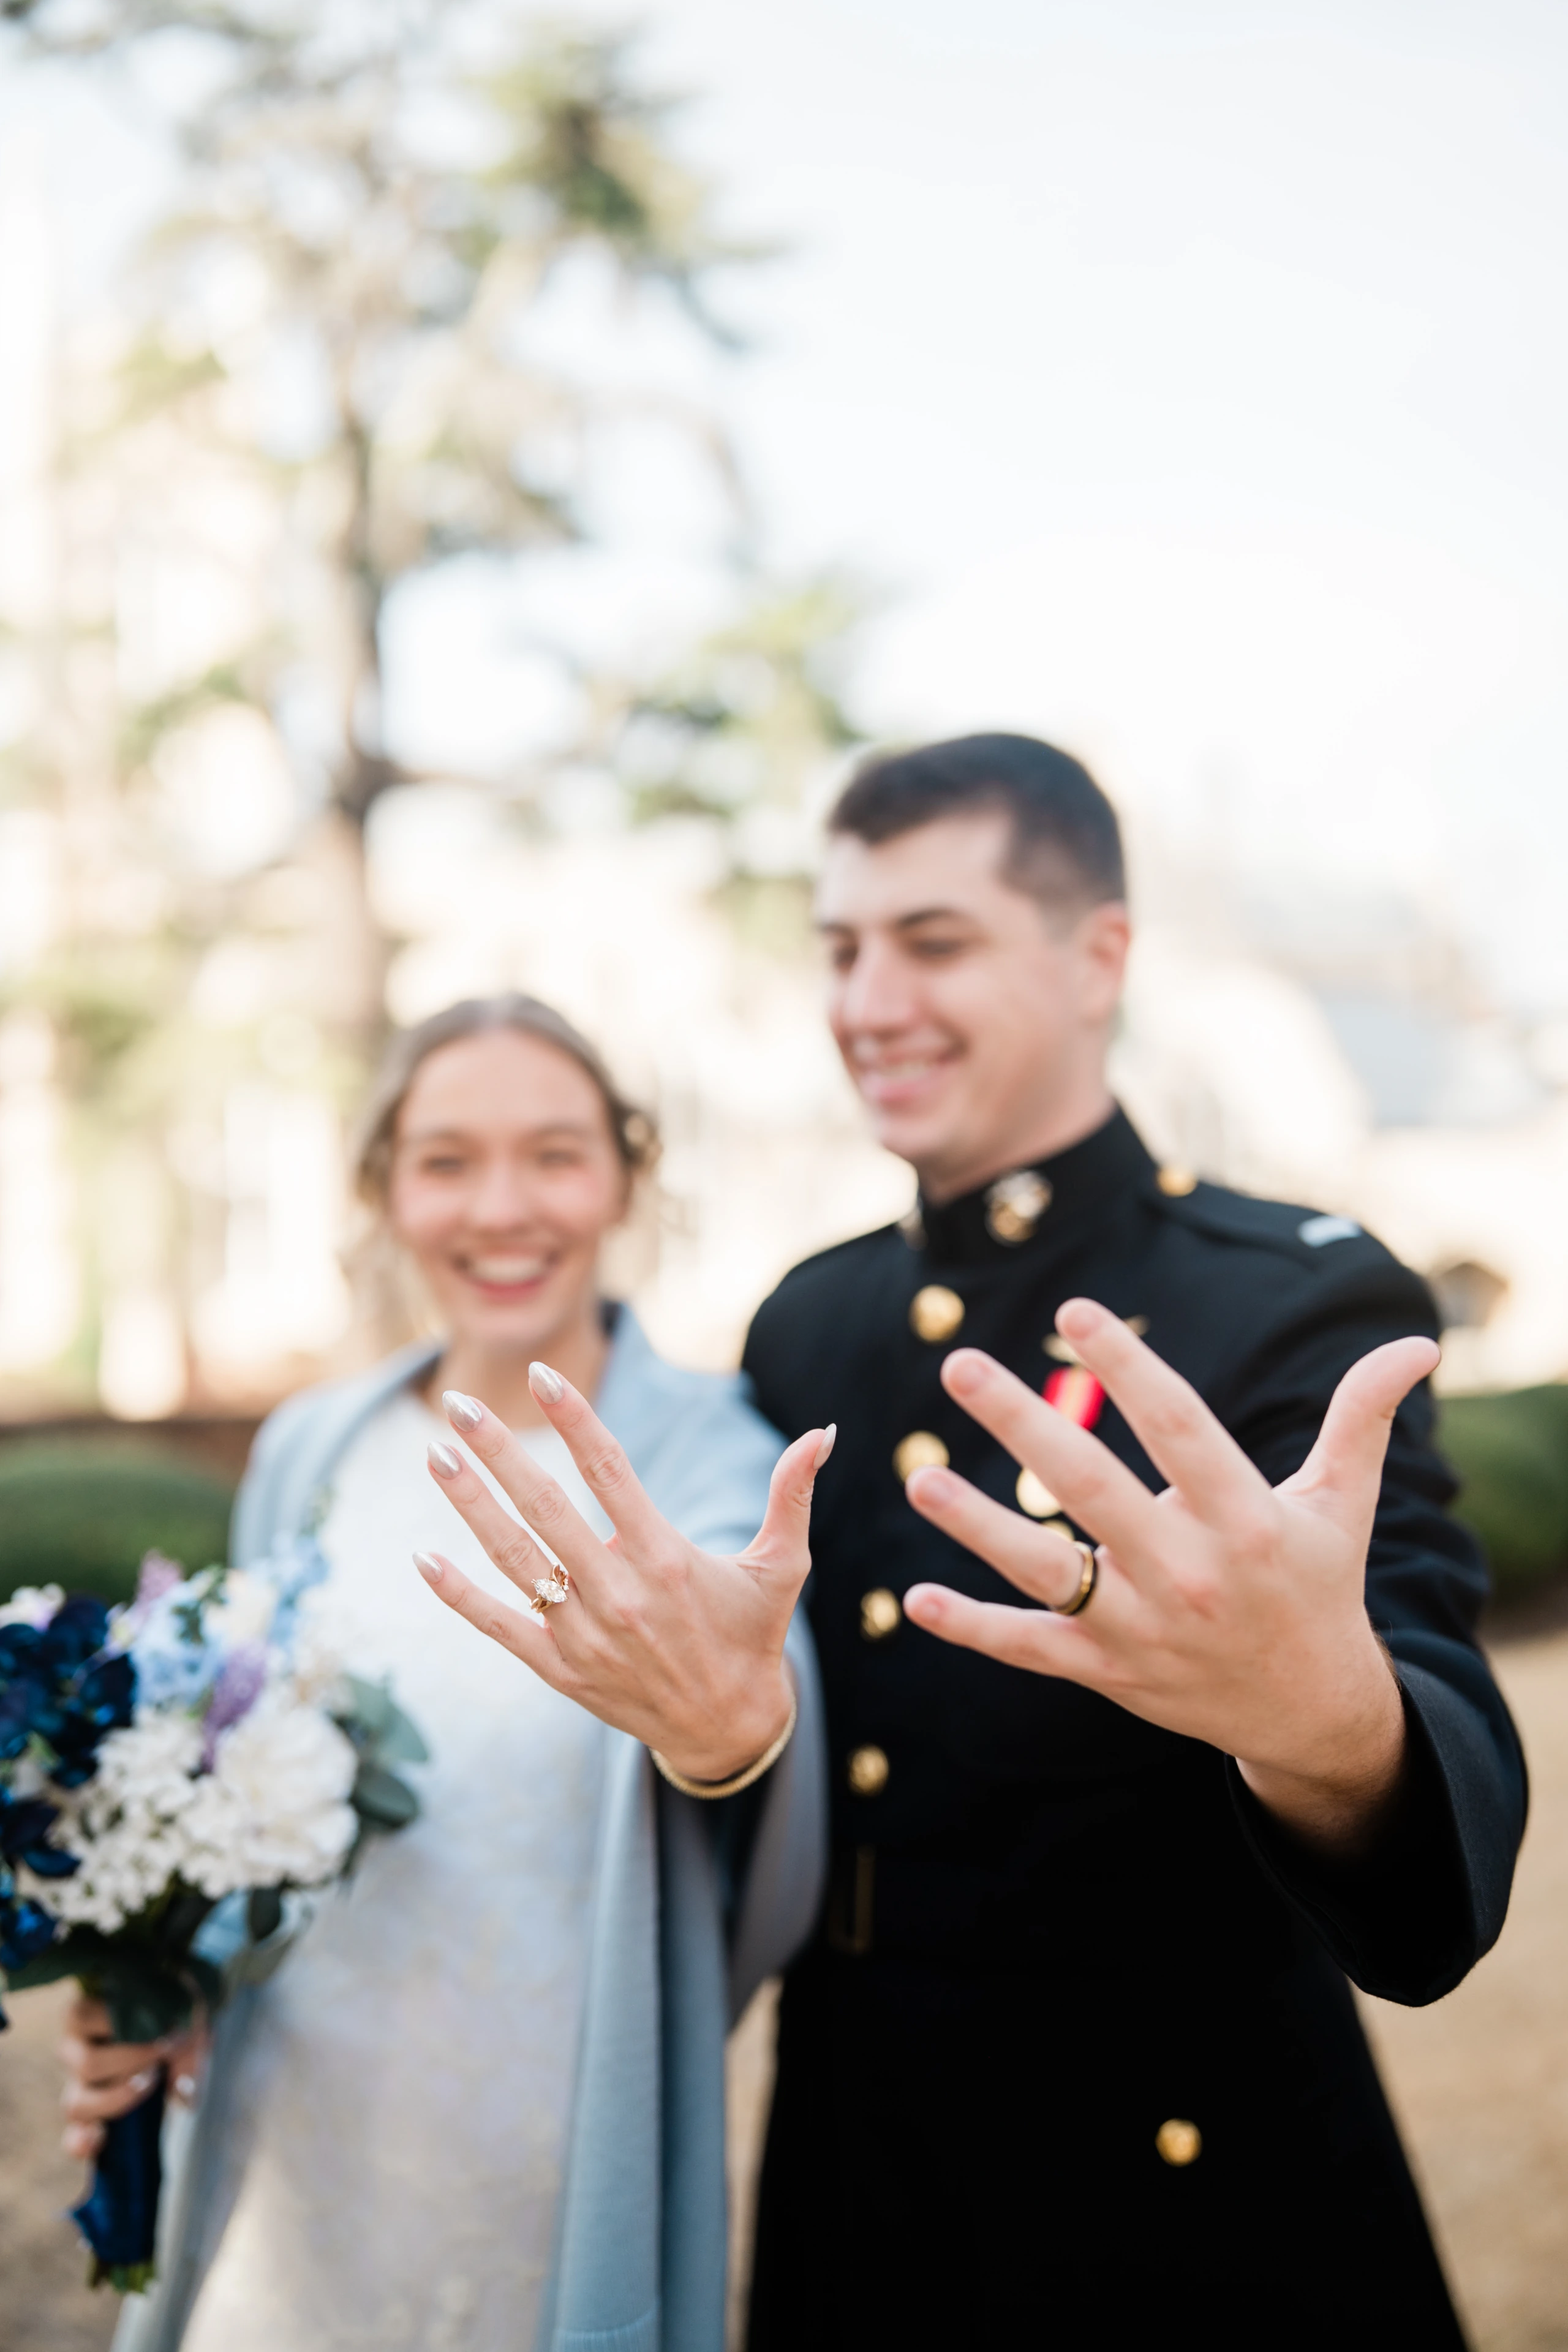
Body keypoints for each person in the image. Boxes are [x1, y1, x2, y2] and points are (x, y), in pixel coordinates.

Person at [421, 737, 1525, 2352]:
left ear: (1101, 959)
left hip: (1190, 2204)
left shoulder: (1287, 1295)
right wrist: (721, 1742)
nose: (869, 1000)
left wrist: (1327, 1717)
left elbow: (1436, 1848)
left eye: (932, 942)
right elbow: (769, 1763)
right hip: (861, 2190)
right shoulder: (811, 1319)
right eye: (842, 948)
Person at [58, 994, 827, 2352]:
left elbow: (747, 1715)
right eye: (447, 1159)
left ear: (622, 1177)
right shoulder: (311, 1450)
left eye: (554, 1153)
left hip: (543, 2143)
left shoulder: (707, 1458)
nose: (503, 1207)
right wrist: (164, 1979)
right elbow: (232, 1789)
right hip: (293, 2133)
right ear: (384, 1191)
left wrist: (725, 1714)